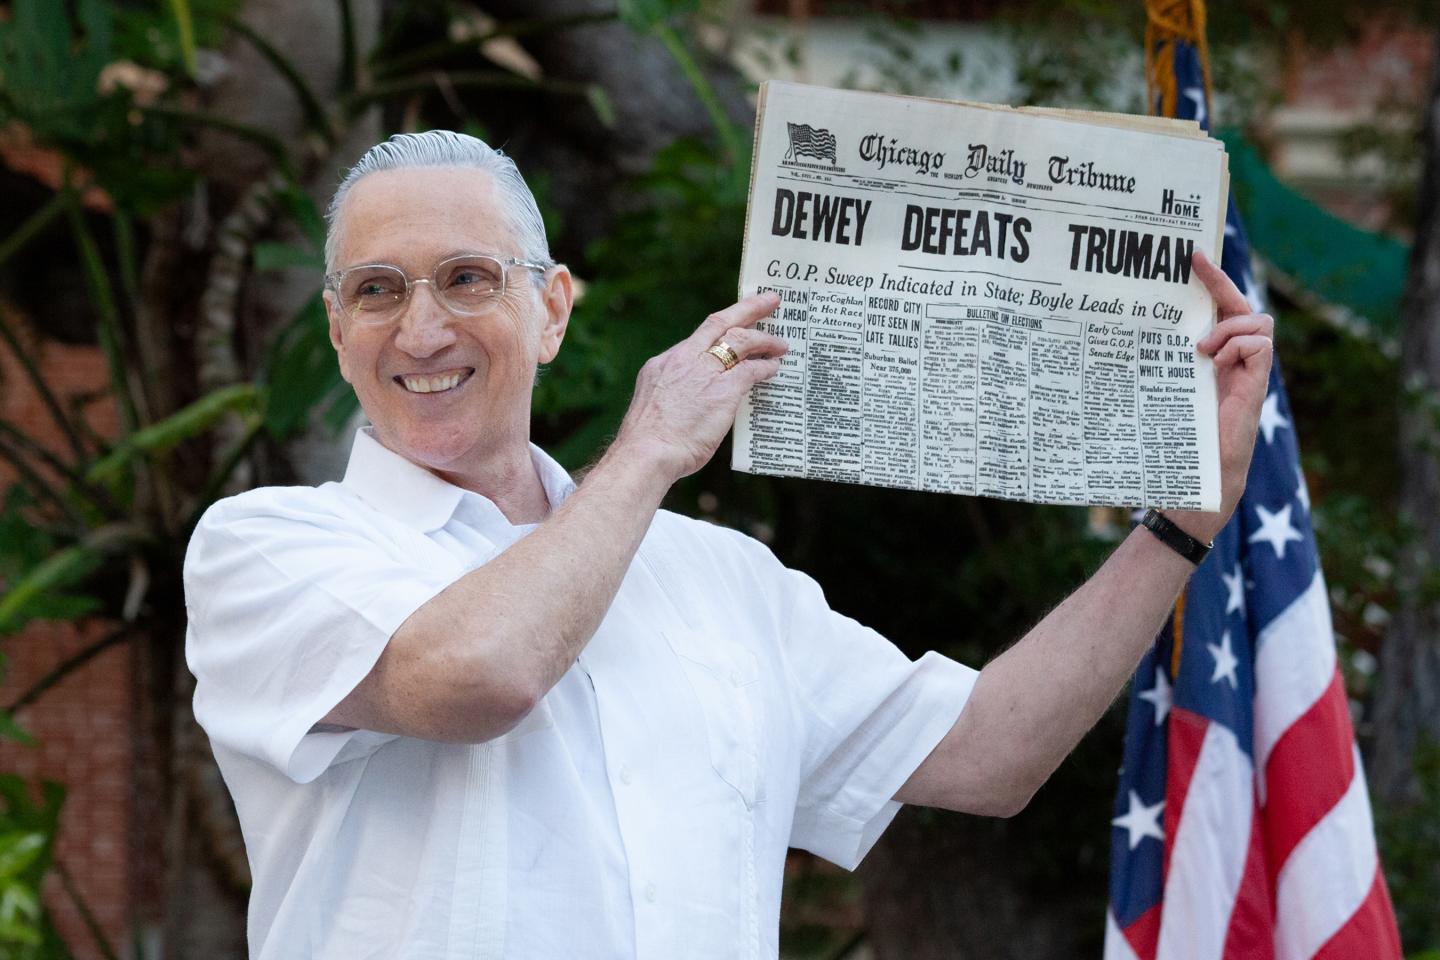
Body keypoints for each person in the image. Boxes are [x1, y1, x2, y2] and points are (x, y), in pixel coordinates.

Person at [184, 130, 1273, 960]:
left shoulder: (724, 580)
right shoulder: (269, 548)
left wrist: (1187, 520)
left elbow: (991, 753)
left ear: (553, 309)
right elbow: (484, 673)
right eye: (378, 291)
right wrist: (655, 444)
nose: (421, 329)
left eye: (468, 278)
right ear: (338, 333)